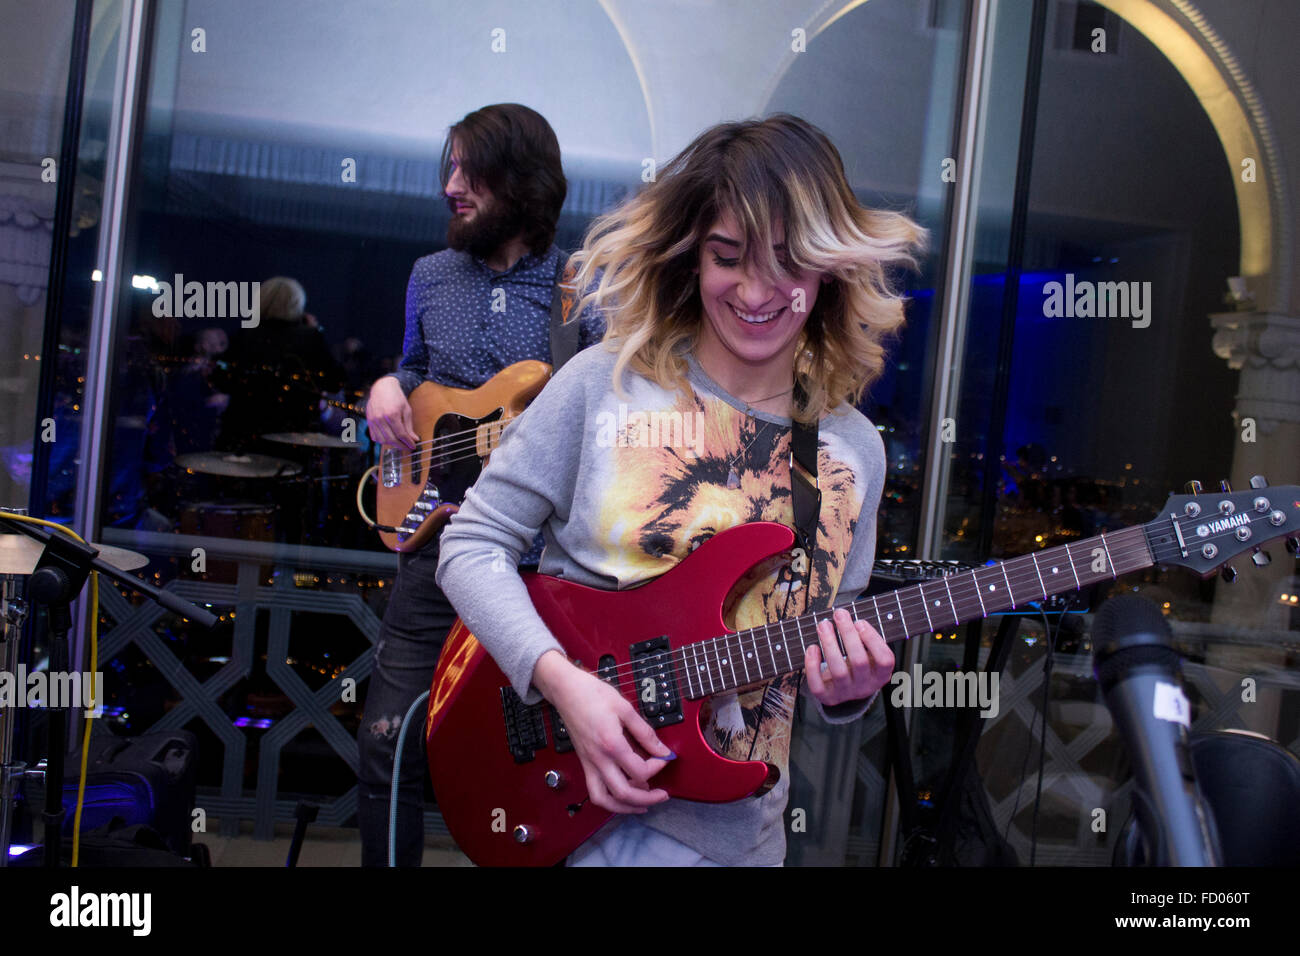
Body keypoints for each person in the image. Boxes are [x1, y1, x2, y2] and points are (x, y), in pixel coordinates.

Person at [435, 114, 927, 865]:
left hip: (741, 835)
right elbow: (470, 543)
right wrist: (563, 684)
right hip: (580, 810)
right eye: (729, 257)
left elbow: (829, 641)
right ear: (693, 257)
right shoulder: (606, 385)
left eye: (788, 262)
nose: (757, 290)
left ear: (829, 268)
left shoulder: (851, 451)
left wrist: (849, 688)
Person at [357, 103, 604, 866]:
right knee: (386, 749)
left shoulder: (584, 290)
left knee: (531, 771)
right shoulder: (430, 275)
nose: (450, 186)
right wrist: (385, 387)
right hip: (434, 546)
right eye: (450, 167)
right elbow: (419, 374)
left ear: (521, 182)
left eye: (470, 171)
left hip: (540, 568)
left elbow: (610, 423)